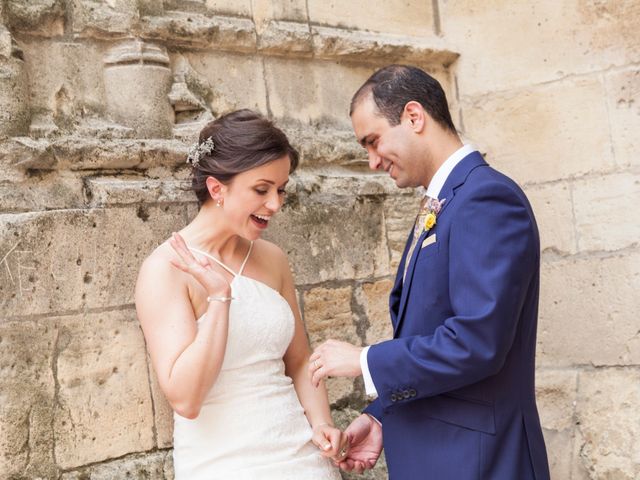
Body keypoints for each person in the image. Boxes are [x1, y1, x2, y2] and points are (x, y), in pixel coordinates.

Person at [309, 65, 551, 479]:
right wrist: (383, 415)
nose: (371, 162)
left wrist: (364, 361)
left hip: (480, 462)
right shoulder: (447, 200)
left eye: (373, 141)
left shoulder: (486, 198)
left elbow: (478, 342)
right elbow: (428, 330)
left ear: (414, 117)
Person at [135, 109, 346, 480]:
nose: (275, 205)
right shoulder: (165, 269)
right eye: (261, 190)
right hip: (225, 464)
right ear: (218, 188)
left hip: (301, 458)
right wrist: (219, 298)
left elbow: (298, 361)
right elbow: (186, 398)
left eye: (280, 190)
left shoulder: (273, 259)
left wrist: (321, 423)